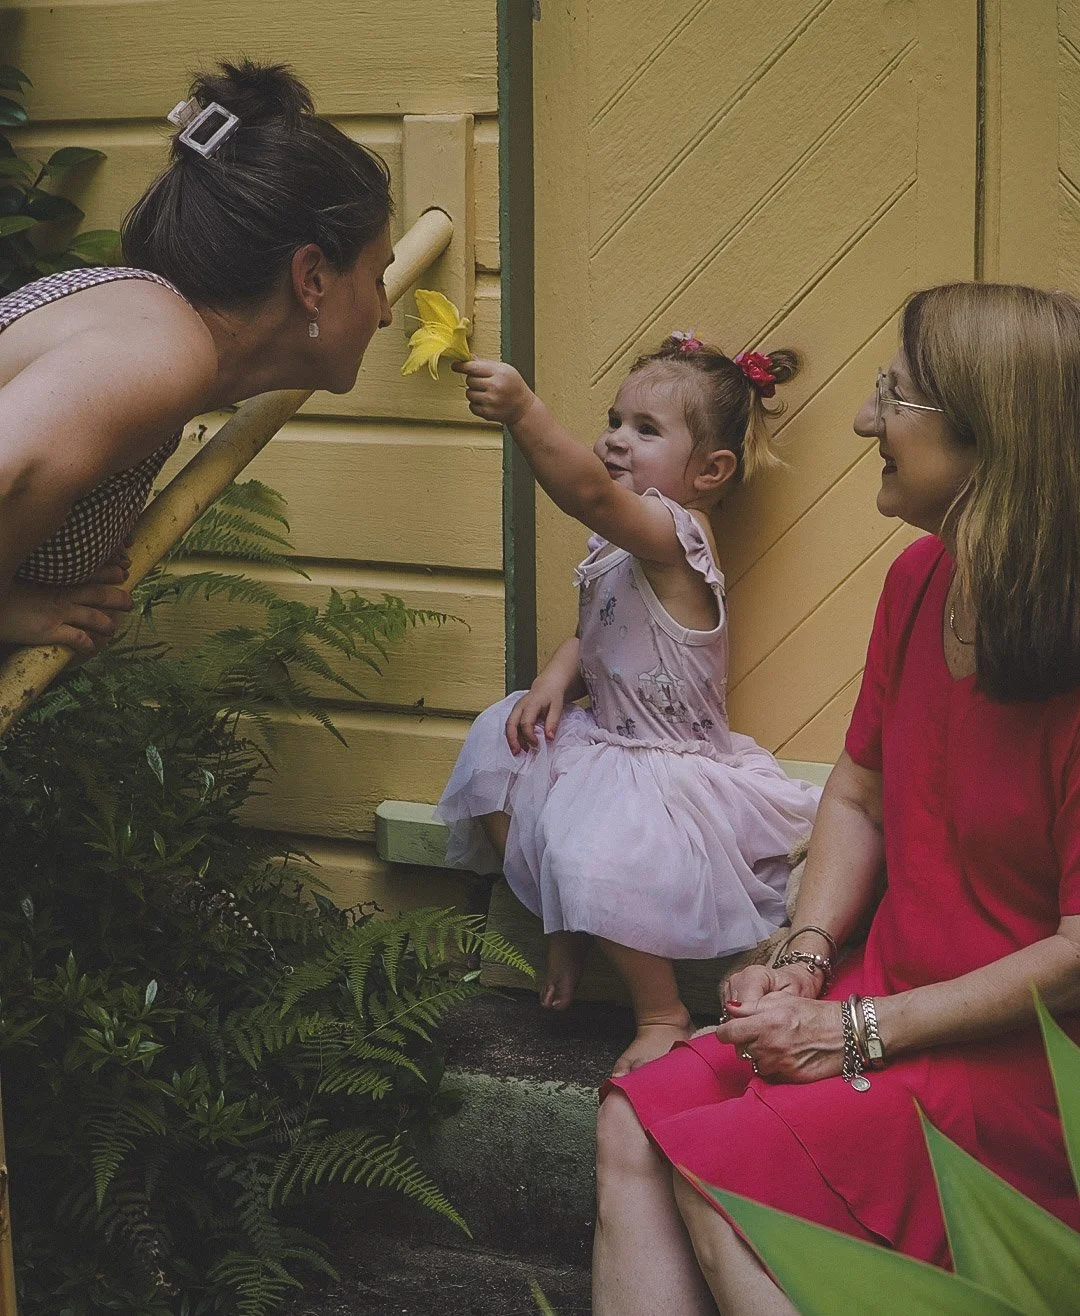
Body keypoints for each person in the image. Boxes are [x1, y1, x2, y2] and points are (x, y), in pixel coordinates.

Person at [591, 282, 1080, 1315]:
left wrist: (859, 1032)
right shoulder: (917, 584)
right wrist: (805, 957)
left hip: (1018, 1064)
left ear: (990, 435)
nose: (866, 420)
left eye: (894, 397)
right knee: (630, 1122)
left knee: (734, 1187)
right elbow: (856, 793)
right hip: (882, 991)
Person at [438, 335, 821, 1076]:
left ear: (709, 472)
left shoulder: (675, 534)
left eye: (646, 429)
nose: (616, 438)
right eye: (615, 419)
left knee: (595, 846)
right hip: (604, 742)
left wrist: (523, 412)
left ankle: (662, 1012)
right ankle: (566, 921)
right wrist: (555, 676)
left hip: (664, 772)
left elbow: (587, 491)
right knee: (499, 739)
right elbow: (603, 633)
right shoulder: (622, 545)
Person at [0, 60, 394, 659]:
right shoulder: (164, 348)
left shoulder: (160, 335)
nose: (386, 313)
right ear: (312, 277)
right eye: (376, 279)